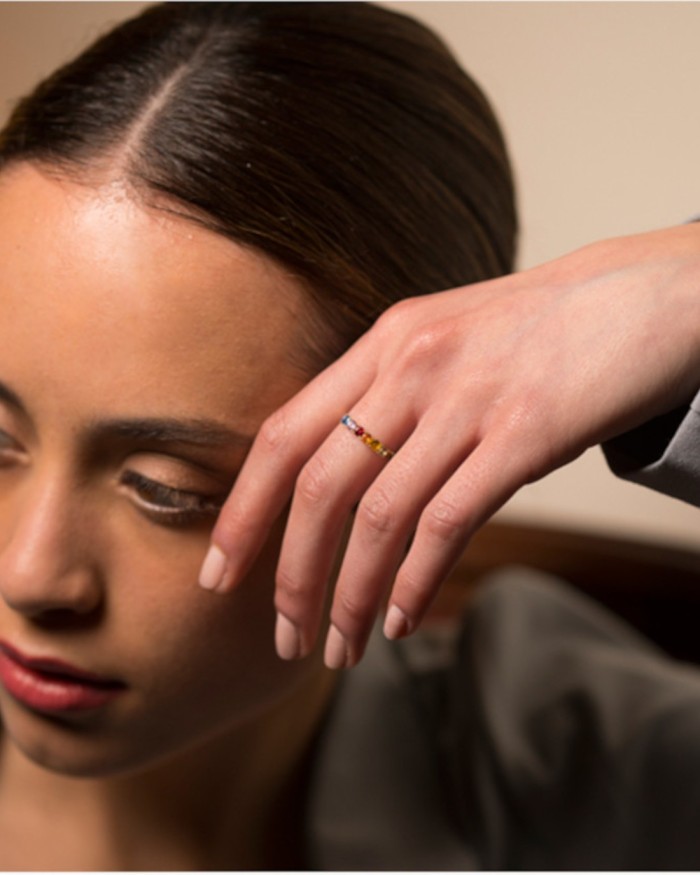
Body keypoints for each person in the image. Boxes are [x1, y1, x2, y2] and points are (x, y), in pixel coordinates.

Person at [1, 1, 699, 869]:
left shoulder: (567, 759)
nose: (29, 574)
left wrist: (683, 287)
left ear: (422, 460)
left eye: (164, 486)